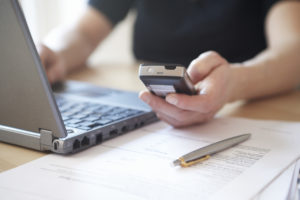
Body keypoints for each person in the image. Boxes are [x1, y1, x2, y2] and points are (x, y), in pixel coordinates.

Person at [39, 0, 300, 127]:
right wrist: (52, 51)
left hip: (243, 113)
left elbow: (293, 50)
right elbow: (85, 31)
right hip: (145, 115)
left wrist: (235, 82)